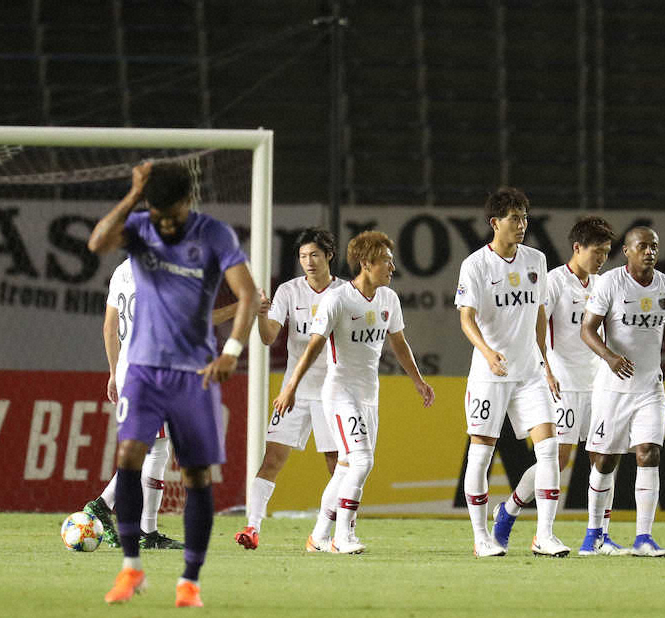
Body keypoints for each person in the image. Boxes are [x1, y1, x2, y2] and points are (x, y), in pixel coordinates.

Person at [87, 161, 259, 607]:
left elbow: (248, 294)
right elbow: (97, 242)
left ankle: (190, 582)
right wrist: (133, 196)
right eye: (156, 213)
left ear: (188, 201)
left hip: (193, 372)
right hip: (143, 369)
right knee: (129, 456)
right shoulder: (141, 227)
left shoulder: (214, 235)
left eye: (171, 214)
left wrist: (232, 351)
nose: (164, 223)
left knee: (196, 474)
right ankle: (131, 568)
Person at [272, 231, 434, 554]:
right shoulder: (338, 300)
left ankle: (318, 536)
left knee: (346, 467)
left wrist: (418, 381)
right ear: (366, 263)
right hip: (339, 392)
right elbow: (313, 347)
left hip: (368, 395)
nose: (392, 267)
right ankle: (343, 536)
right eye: (386, 261)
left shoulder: (389, 299)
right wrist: (291, 386)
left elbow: (399, 343)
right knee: (362, 461)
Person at [491, 216, 622, 554]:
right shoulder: (553, 282)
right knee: (557, 460)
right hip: (563, 383)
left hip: (598, 384)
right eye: (596, 251)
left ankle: (598, 535)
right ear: (577, 248)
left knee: (603, 458)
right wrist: (545, 370)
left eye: (606, 252)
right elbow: (537, 330)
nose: (602, 259)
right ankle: (509, 510)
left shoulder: (603, 284)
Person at [85, 259, 238, 551]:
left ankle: (137, 525)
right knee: (153, 449)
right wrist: (240, 308)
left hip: (129, 371)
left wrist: (114, 373)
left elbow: (109, 327)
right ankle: (111, 510)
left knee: (153, 448)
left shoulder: (122, 269)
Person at [455, 187, 569, 558]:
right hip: (490, 375)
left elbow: (539, 313)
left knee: (549, 449)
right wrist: (487, 352)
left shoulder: (536, 259)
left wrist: (545, 363)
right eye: (514, 219)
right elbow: (467, 318)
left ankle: (544, 536)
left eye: (524, 218)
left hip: (529, 373)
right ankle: (481, 537)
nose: (522, 225)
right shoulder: (476, 265)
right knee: (481, 455)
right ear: (495, 223)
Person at [578, 226, 665, 557]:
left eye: (654, 246)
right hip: (613, 388)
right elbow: (587, 330)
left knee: (649, 452)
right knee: (605, 461)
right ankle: (593, 535)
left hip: (650, 387)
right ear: (627, 251)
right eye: (643, 246)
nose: (650, 252)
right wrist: (610, 357)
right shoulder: (610, 283)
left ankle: (643, 537)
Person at [234, 229, 345, 550]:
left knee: (336, 465)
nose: (308, 262)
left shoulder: (343, 293)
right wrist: (260, 315)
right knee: (272, 459)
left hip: (331, 392)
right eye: (303, 256)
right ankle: (253, 526)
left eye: (315, 255)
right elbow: (269, 337)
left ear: (329, 256)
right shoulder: (289, 291)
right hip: (293, 392)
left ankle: (333, 533)